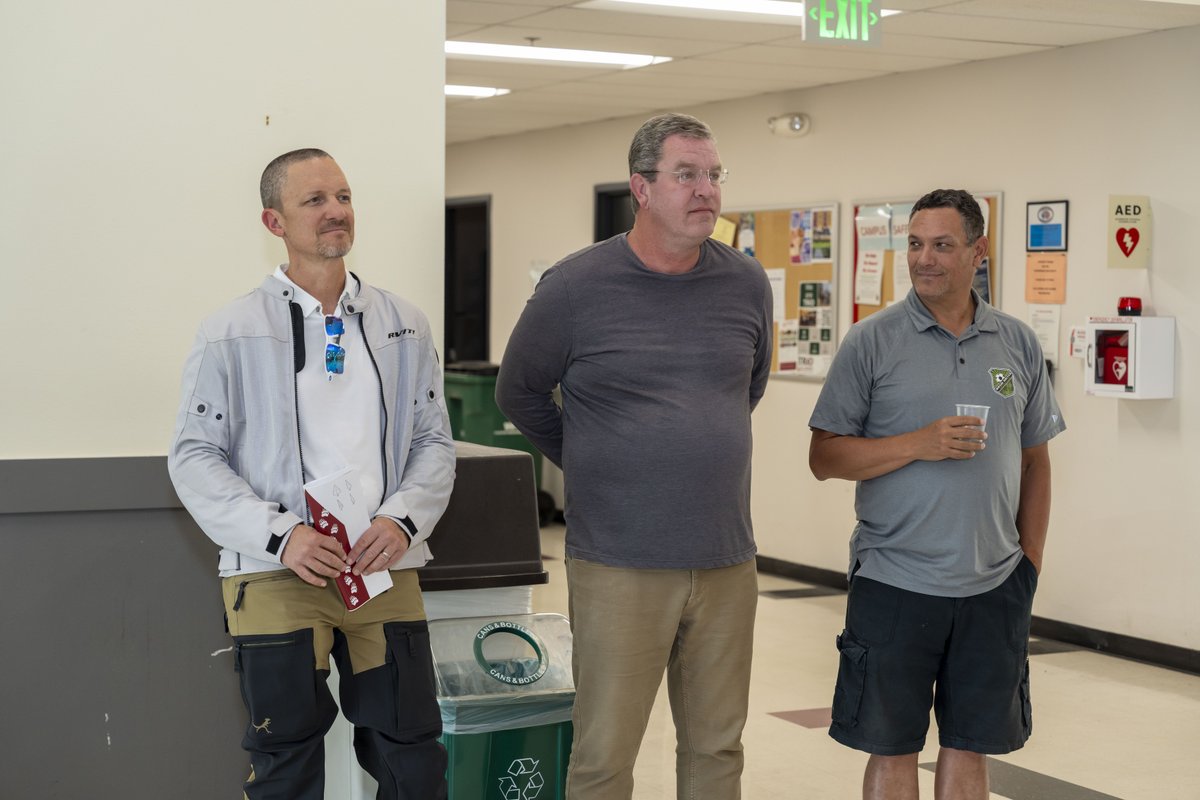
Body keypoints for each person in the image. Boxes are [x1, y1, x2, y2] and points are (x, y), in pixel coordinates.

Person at [496, 113, 773, 799]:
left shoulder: (745, 281)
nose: (706, 190)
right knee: (605, 754)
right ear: (641, 188)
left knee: (717, 747)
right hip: (619, 560)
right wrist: (591, 456)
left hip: (726, 558)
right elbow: (518, 391)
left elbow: (747, 387)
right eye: (687, 175)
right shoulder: (574, 287)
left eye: (714, 175)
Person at [168, 148, 456, 800]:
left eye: (344, 196)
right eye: (315, 200)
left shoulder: (404, 325)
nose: (336, 212)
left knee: (412, 756)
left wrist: (402, 520)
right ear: (274, 222)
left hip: (381, 567)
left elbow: (433, 441)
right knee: (286, 762)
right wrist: (281, 536)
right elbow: (193, 456)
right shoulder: (230, 332)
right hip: (278, 572)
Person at [808, 188, 1066, 799]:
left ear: (978, 251)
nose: (924, 259)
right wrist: (917, 443)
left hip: (994, 585)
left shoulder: (1017, 342)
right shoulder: (871, 341)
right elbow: (824, 457)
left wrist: (1028, 562)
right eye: (916, 244)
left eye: (943, 245)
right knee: (892, 748)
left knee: (970, 747)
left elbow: (1036, 460)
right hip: (894, 580)